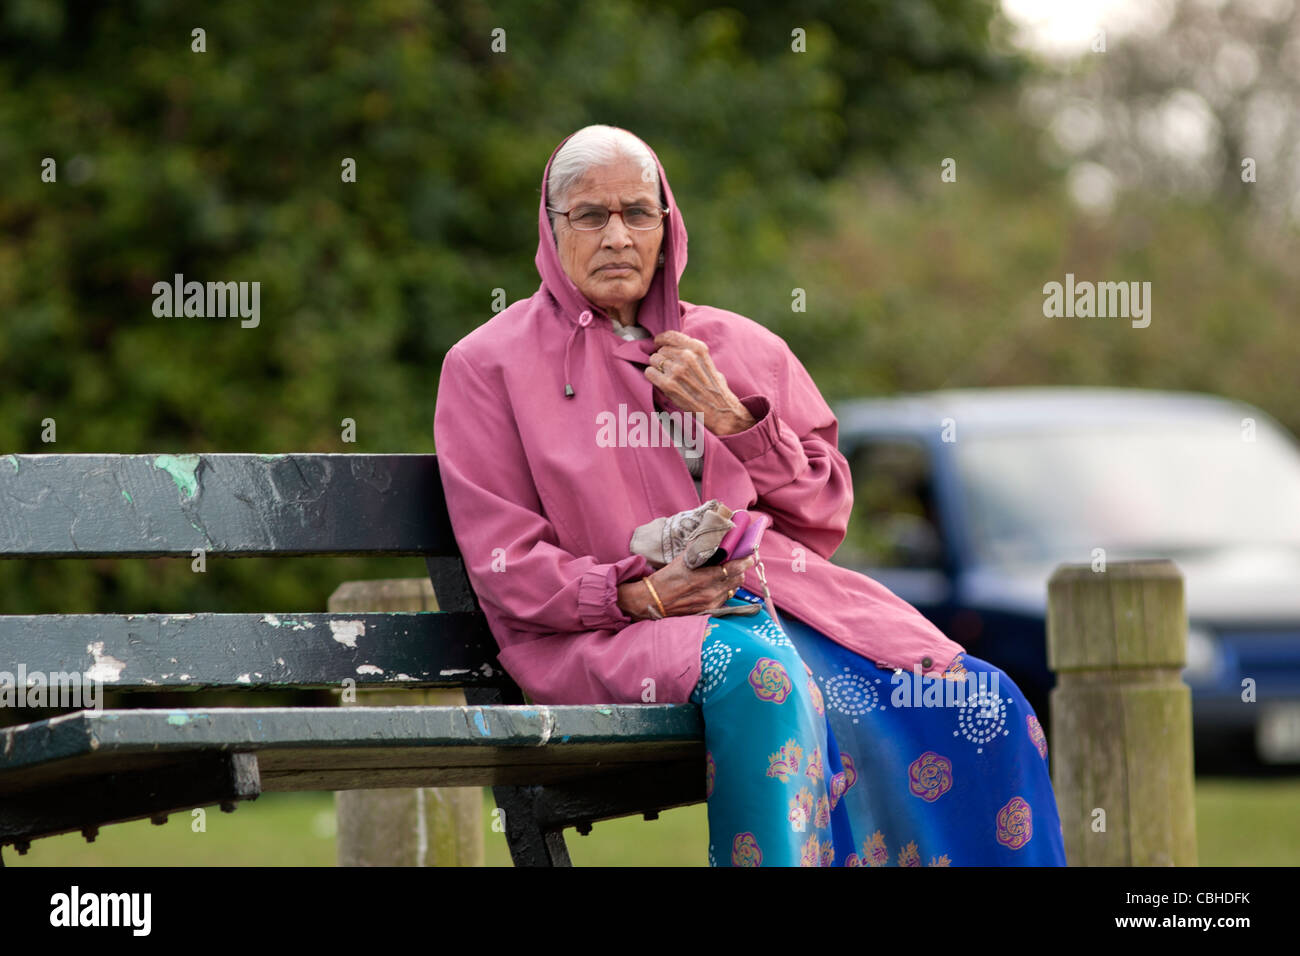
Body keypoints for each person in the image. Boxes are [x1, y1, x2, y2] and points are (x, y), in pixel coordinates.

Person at [433, 124, 1066, 866]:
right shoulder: (487, 367)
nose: (616, 235)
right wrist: (636, 596)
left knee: (981, 704)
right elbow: (505, 562)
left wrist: (733, 419)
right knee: (765, 680)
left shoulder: (741, 348)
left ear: (667, 228)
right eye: (589, 214)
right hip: (603, 637)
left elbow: (823, 514)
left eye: (638, 212)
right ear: (551, 228)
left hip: (784, 606)